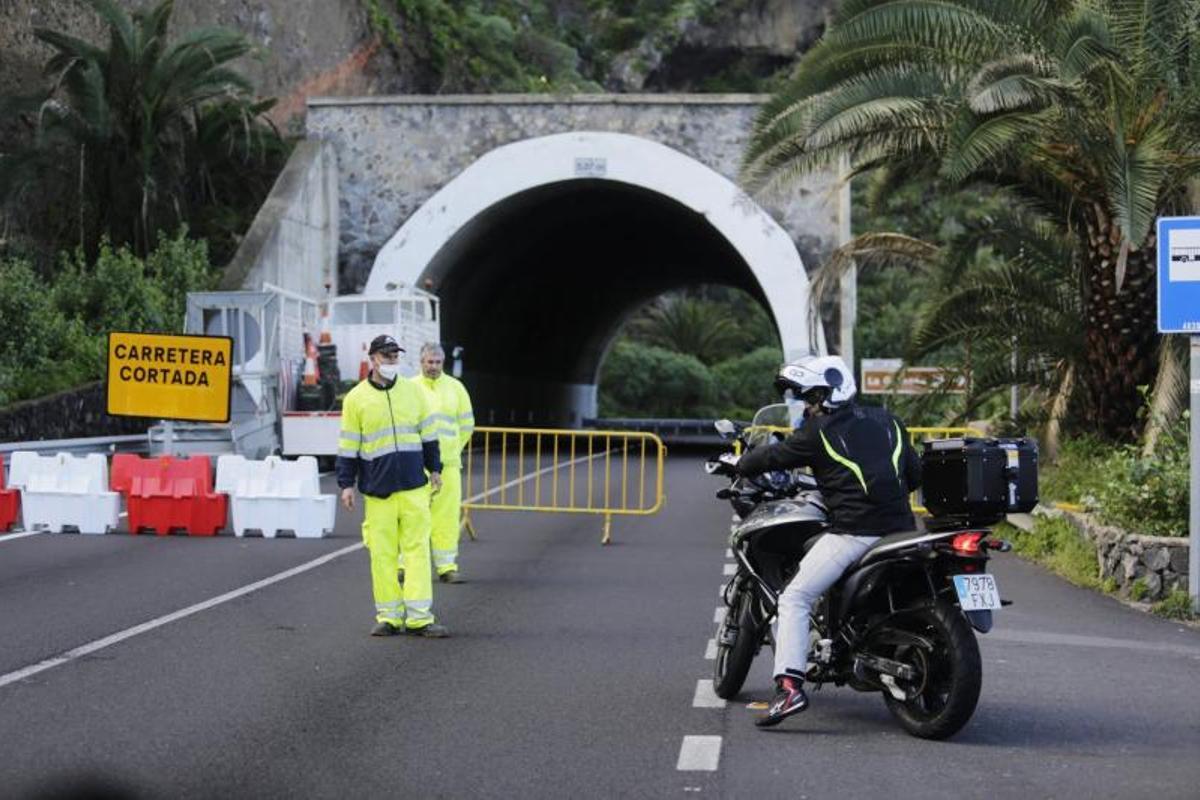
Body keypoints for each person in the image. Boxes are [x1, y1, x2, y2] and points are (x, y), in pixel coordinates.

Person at [736, 354, 921, 727]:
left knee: (795, 597)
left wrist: (739, 463)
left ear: (829, 394)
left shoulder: (818, 432)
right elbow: (913, 475)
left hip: (855, 533)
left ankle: (789, 689)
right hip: (902, 531)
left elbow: (775, 457)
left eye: (810, 397)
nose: (807, 406)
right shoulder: (889, 421)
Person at [337, 334, 450, 638]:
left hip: (413, 486)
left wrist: (435, 468)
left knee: (417, 552)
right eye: (387, 356)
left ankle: (419, 618)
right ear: (373, 359)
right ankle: (388, 616)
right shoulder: (356, 399)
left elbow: (428, 434)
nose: (392, 361)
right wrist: (346, 484)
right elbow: (349, 445)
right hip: (379, 491)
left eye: (395, 356)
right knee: (382, 555)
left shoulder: (413, 392)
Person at [399, 342, 474, 584]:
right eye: (429, 362)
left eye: (438, 362)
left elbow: (466, 425)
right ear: (421, 362)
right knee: (411, 516)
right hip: (416, 464)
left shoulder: (456, 388)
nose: (433, 366)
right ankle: (404, 565)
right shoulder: (408, 388)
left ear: (443, 363)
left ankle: (446, 567)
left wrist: (452, 450)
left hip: (448, 465)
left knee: (446, 518)